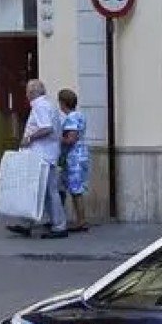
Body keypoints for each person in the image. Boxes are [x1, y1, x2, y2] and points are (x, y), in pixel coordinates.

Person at [7, 79, 68, 239]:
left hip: (43, 156)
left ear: (33, 92)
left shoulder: (40, 106)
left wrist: (29, 138)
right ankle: (27, 223)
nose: (26, 94)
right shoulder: (48, 105)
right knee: (37, 190)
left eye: (27, 91)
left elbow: (46, 128)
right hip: (47, 154)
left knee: (48, 191)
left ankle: (59, 226)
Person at [57, 88, 91, 233]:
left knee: (76, 191)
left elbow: (71, 139)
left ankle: (81, 221)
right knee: (72, 189)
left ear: (63, 103)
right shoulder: (80, 116)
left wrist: (58, 139)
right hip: (81, 155)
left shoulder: (71, 118)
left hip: (73, 158)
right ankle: (75, 219)